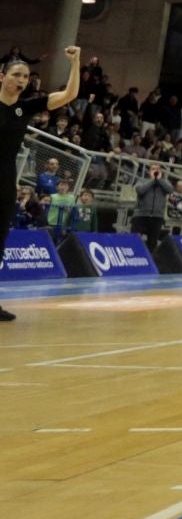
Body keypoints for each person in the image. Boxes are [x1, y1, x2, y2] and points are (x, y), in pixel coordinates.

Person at [1, 47, 80, 322]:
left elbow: (69, 95)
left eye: (25, 76)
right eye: (16, 74)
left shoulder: (27, 106)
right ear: (2, 76)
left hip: (5, 176)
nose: (22, 80)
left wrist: (75, 62)